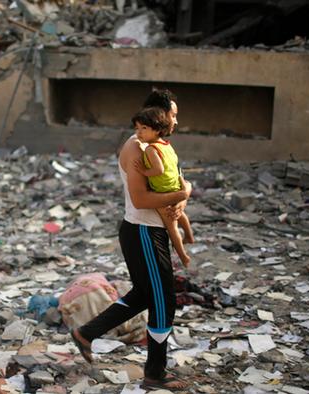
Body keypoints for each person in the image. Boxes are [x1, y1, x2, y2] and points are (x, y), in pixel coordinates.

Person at [70, 89, 191, 391]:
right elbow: (140, 199)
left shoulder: (158, 143)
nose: (176, 121)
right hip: (142, 232)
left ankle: (86, 333)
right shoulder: (136, 148)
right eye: (173, 115)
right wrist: (183, 194)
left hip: (152, 231)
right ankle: (155, 373)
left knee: (144, 294)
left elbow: (175, 182)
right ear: (159, 115)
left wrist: (182, 198)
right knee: (164, 300)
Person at [132, 106, 194, 267]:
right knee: (181, 214)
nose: (139, 133)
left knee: (171, 227)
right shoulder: (167, 146)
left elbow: (158, 170)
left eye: (144, 128)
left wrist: (144, 171)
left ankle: (183, 256)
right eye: (137, 128)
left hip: (163, 192)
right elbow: (173, 165)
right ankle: (189, 234)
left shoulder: (151, 150)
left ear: (157, 130)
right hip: (174, 186)